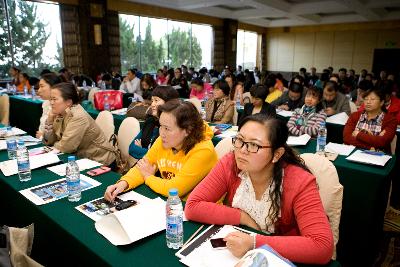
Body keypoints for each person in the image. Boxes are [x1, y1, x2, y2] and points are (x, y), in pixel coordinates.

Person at [185, 115, 334, 264]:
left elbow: (322, 247)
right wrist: (242, 217)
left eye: (254, 145)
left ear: (277, 154)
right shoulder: (231, 163)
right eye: (240, 140)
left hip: (281, 258)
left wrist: (254, 243)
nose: (242, 150)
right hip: (237, 251)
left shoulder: (299, 182)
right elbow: (192, 206)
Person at [104, 100, 218, 200]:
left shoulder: (203, 150)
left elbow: (174, 190)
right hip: (170, 203)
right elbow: (142, 167)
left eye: (167, 128)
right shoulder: (164, 140)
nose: (161, 133)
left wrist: (148, 177)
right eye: (161, 126)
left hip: (199, 212)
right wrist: (123, 183)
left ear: (187, 130)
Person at [43, 82, 115, 165]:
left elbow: (66, 147)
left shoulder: (78, 116)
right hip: (82, 159)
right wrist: (50, 120)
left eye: (54, 99)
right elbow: (49, 141)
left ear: (69, 102)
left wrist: (54, 145)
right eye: (50, 99)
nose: (51, 103)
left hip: (100, 161)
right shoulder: (60, 113)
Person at [129, 86, 180, 159]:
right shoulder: (150, 121)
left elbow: (162, 156)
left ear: (169, 103)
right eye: (152, 101)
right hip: (144, 164)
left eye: (156, 100)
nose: (152, 104)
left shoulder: (173, 127)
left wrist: (142, 149)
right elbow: (131, 148)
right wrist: (147, 151)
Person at [344, 87, 397, 153]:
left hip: (378, 157)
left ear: (381, 102)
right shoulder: (355, 116)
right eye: (366, 99)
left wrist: (358, 135)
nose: (368, 102)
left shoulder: (390, 120)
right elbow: (347, 138)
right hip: (352, 153)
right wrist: (371, 147)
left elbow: (382, 142)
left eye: (372, 99)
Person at [36, 73, 62, 139]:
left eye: (42, 86)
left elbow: (61, 138)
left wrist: (43, 137)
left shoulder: (61, 106)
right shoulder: (46, 103)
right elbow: (41, 128)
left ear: (53, 87)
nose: (38, 91)